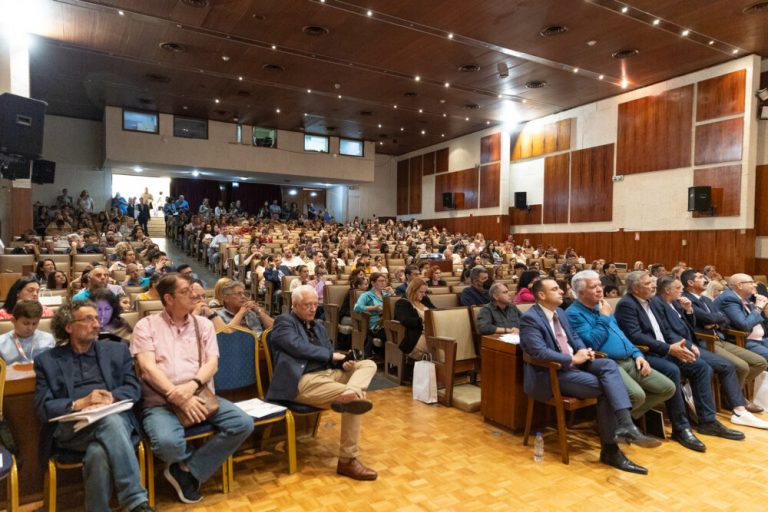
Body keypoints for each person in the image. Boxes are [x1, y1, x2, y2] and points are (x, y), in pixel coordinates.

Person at [132, 274, 254, 504]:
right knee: (168, 445)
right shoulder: (146, 325)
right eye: (186, 291)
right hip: (161, 400)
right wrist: (176, 395)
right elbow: (147, 368)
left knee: (242, 423)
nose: (195, 295)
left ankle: (188, 470)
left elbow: (212, 364)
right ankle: (183, 464)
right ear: (168, 299)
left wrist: (191, 388)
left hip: (199, 394)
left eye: (194, 290)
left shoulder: (203, 324)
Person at [520, 278, 659, 475]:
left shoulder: (560, 312)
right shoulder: (530, 318)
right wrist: (572, 358)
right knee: (607, 389)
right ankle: (611, 449)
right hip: (553, 374)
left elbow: (574, 337)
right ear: (541, 295)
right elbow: (538, 352)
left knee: (608, 364)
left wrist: (584, 350)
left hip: (575, 366)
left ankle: (626, 425)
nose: (562, 291)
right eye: (555, 289)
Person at [34, 302, 153, 512]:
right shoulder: (47, 361)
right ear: (68, 327)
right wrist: (79, 404)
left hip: (114, 419)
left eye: (97, 319)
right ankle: (135, 501)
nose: (97, 324)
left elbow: (133, 388)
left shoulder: (117, 351)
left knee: (98, 451)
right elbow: (43, 407)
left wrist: (112, 397)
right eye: (88, 319)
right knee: (111, 423)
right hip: (73, 428)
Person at [614, 271, 744, 452]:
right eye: (648, 283)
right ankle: (681, 428)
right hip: (647, 354)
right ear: (635, 288)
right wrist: (668, 349)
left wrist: (683, 345)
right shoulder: (626, 304)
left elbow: (666, 330)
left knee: (701, 367)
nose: (653, 285)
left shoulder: (652, 302)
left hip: (666, 349)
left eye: (652, 282)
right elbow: (635, 336)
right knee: (672, 370)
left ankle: (708, 421)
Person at [266, 285, 378, 480]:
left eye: (315, 304)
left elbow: (329, 354)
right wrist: (331, 356)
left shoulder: (318, 326)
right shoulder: (284, 322)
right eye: (307, 305)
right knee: (355, 402)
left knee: (367, 364)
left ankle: (351, 392)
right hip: (302, 381)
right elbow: (296, 346)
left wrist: (342, 362)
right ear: (294, 305)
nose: (312, 308)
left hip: (329, 374)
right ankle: (347, 461)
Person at [654, 275, 767, 429]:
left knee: (748, 363)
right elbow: (669, 331)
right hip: (694, 344)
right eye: (679, 288)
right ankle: (736, 408)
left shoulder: (682, 302)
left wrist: (689, 311)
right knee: (726, 366)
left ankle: (734, 403)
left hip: (713, 339)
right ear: (668, 290)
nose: (682, 290)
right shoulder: (660, 303)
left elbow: (720, 319)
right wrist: (692, 340)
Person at [565, 271, 676, 422]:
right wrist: (604, 317)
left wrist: (638, 354)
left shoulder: (601, 307)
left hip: (629, 359)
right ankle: (615, 425)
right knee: (637, 396)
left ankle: (620, 421)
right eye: (593, 287)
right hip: (609, 364)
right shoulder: (573, 314)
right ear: (581, 292)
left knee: (667, 388)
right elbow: (591, 343)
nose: (599, 289)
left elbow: (621, 336)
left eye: (600, 285)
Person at [681, 269, 767, 412]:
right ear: (690, 282)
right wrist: (715, 320)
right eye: (701, 277)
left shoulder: (706, 299)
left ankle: (731, 393)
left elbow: (724, 319)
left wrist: (714, 322)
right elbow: (708, 318)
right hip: (705, 342)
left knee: (760, 362)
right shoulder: (685, 299)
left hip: (720, 338)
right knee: (742, 366)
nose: (705, 280)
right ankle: (735, 399)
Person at [714, 273, 768, 361]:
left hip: (761, 338)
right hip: (745, 340)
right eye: (751, 282)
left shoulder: (744, 296)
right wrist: (758, 308)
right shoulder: (729, 299)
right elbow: (745, 325)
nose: (755, 285)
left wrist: (763, 307)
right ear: (739, 285)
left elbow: (755, 318)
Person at [393, 278, 435, 359]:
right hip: (417, 336)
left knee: (450, 341)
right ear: (413, 291)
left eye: (425, 292)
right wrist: (423, 319)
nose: (424, 294)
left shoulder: (424, 299)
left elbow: (435, 311)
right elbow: (405, 320)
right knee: (442, 347)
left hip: (432, 332)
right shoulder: (402, 303)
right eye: (421, 292)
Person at [354, 272, 393, 357]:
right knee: (389, 331)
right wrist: (373, 308)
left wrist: (393, 294)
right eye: (380, 281)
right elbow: (357, 308)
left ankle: (396, 357)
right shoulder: (366, 295)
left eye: (384, 281)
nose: (383, 283)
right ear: (373, 283)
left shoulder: (387, 295)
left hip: (388, 321)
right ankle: (389, 356)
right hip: (376, 325)